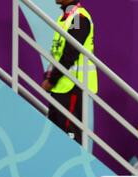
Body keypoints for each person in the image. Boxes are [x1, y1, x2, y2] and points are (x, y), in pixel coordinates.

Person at [41, 0, 98, 144]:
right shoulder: (65, 18)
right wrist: (49, 77)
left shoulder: (78, 18)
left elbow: (71, 53)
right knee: (55, 137)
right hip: (61, 86)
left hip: (73, 87)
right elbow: (58, 53)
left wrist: (51, 80)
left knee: (70, 139)